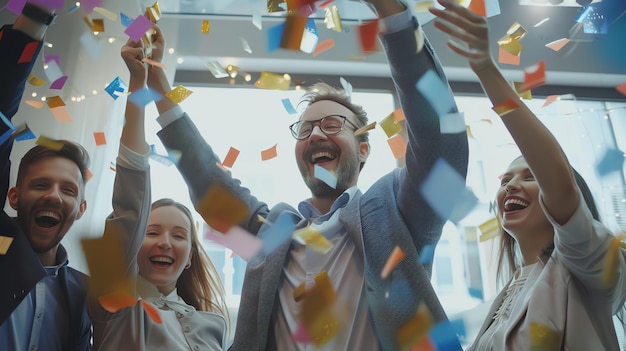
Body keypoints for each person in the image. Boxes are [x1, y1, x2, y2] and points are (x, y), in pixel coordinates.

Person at [148, 0, 468, 349]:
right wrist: (158, 86)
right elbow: (208, 183)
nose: (316, 134)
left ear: (363, 149)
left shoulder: (398, 213)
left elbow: (440, 143)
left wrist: (392, 14)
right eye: (305, 130)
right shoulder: (272, 233)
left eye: (333, 125)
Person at [430, 1, 626, 349]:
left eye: (529, 175)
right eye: (504, 181)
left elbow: (561, 183)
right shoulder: (505, 294)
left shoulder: (587, 264)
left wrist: (486, 69)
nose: (511, 186)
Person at [0, 2, 152, 350]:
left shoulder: (83, 293)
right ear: (13, 197)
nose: (54, 195)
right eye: (40, 184)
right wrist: (38, 12)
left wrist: (140, 85)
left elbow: (129, 214)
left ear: (81, 208)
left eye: (68, 190)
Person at [88, 30, 230, 351]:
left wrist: (160, 81)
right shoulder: (114, 301)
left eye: (179, 236)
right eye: (151, 232)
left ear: (191, 256)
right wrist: (139, 82)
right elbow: (131, 197)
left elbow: (212, 171)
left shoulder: (214, 324)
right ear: (135, 241)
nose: (165, 242)